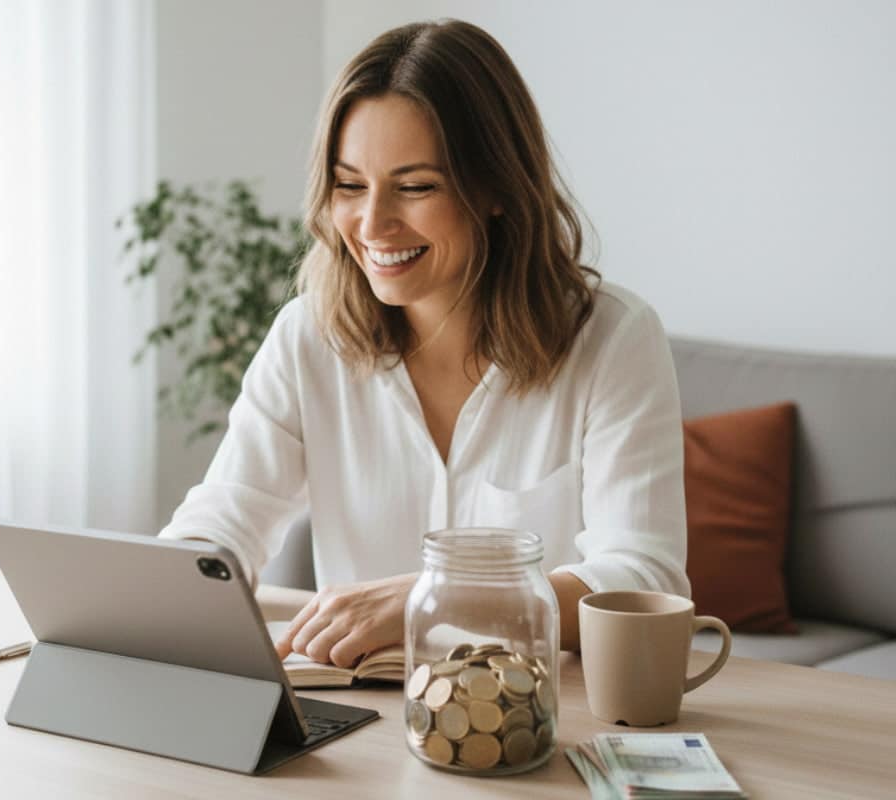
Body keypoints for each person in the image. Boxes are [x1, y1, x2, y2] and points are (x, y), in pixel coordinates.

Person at [158, 19, 687, 666]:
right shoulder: (307, 336)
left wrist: (437, 598)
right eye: (350, 185)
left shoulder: (613, 340)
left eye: (415, 187)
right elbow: (226, 516)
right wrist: (164, 589)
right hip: (359, 712)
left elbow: (643, 579)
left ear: (496, 187)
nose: (372, 223)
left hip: (538, 711)